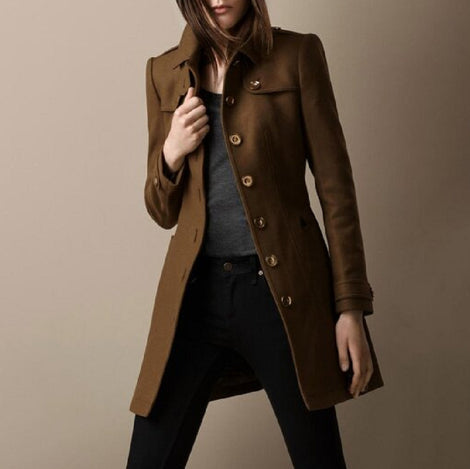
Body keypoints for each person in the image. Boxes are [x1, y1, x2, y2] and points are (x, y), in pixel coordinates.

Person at [126, 1, 384, 467]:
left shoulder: (297, 55)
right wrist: (171, 153)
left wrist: (349, 307)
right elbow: (161, 211)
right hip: (194, 297)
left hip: (281, 295)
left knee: (318, 458)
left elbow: (337, 193)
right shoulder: (164, 71)